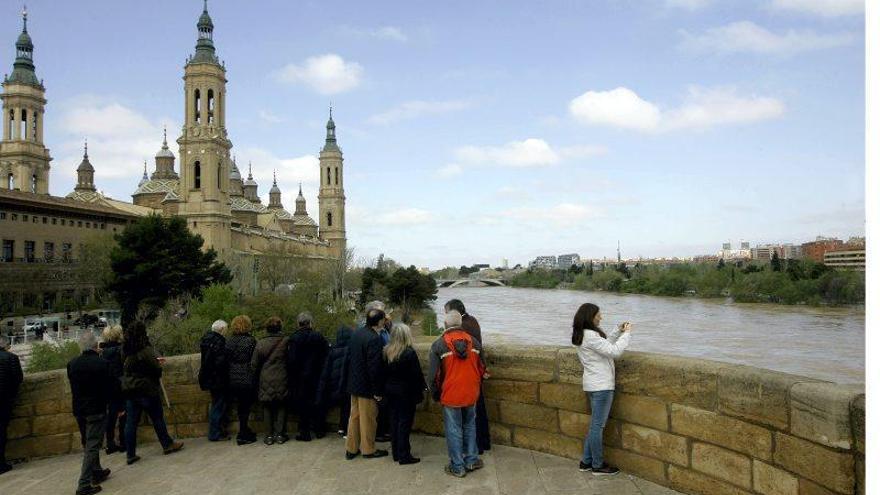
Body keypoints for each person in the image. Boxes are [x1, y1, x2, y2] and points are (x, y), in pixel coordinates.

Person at [572, 303, 632, 476]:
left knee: (594, 426)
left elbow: (603, 346)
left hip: (592, 384)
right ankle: (597, 465)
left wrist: (617, 331)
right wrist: (627, 334)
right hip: (602, 386)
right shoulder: (590, 335)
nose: (601, 317)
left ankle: (586, 462)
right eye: (599, 314)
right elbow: (614, 351)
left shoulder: (582, 334)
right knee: (597, 427)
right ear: (591, 316)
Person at [428, 310, 485, 478]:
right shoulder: (474, 342)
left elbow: (432, 376)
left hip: (451, 393)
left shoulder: (439, 345)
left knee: (453, 429)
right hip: (471, 392)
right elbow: (482, 367)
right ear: (460, 324)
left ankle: (457, 466)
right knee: (470, 425)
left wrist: (435, 394)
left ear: (445, 325)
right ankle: (472, 460)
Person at [121, 321, 183, 465]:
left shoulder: (125, 350)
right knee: (157, 418)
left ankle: (130, 454)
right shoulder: (145, 350)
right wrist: (158, 366)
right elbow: (156, 369)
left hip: (131, 390)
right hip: (147, 389)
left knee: (131, 423)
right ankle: (167, 444)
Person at [67, 332, 114, 495]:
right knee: (92, 446)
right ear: (96, 346)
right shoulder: (102, 364)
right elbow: (109, 387)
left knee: (88, 442)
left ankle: (97, 471)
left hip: (79, 410)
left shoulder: (72, 364)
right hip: (96, 409)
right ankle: (84, 484)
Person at [444, 299, 490, 454]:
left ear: (454, 313)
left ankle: (473, 448)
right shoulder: (473, 320)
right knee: (478, 412)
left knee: (468, 417)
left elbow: (461, 352)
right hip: (476, 373)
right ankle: (483, 443)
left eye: (447, 312)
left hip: (466, 375)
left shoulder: (462, 327)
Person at [344, 308, 388, 460]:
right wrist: (377, 390)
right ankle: (368, 449)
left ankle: (351, 448)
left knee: (354, 417)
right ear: (380, 321)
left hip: (354, 383)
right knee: (368, 419)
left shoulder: (357, 333)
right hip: (367, 386)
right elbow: (374, 367)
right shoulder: (374, 339)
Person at [383, 323, 426, 465]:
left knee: (394, 422)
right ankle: (404, 455)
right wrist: (422, 389)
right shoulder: (408, 353)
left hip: (390, 391)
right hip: (405, 394)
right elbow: (416, 375)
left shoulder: (386, 351)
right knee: (404, 424)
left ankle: (396, 453)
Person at [285, 312, 329, 441]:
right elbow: (327, 354)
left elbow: (291, 360)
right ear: (310, 323)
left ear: (298, 324)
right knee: (318, 402)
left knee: (303, 404)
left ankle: (305, 432)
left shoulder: (294, 338)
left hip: (300, 377)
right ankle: (319, 430)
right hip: (317, 375)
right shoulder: (319, 337)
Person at [250, 316, 288, 445]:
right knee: (281, 405)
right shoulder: (285, 341)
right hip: (282, 376)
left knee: (267, 406)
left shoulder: (260, 343)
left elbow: (254, 364)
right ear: (280, 328)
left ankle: (269, 436)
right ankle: (280, 435)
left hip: (265, 377)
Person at [226, 315, 258, 445]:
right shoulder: (251, 341)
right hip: (246, 376)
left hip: (232, 377)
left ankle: (244, 430)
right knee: (245, 405)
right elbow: (254, 360)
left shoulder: (229, 341)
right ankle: (243, 433)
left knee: (240, 406)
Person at [316, 325, 353, 436]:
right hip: (346, 385)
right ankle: (343, 427)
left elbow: (326, 370)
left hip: (333, 384)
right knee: (347, 406)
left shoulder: (332, 351)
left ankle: (321, 428)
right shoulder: (351, 350)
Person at [199, 320, 229, 442]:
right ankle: (215, 433)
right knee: (218, 405)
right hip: (218, 379)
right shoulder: (219, 342)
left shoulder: (206, 340)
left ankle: (217, 431)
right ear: (222, 330)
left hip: (208, 377)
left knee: (216, 404)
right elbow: (220, 362)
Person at [99, 326, 126, 455]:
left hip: (107, 386)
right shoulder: (120, 350)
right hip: (120, 384)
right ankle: (123, 441)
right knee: (123, 413)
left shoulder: (102, 352)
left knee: (111, 415)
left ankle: (110, 443)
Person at [0, 335, 23, 475]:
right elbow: (18, 379)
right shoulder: (11, 358)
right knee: (1, 431)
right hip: (4, 400)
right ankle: (1, 463)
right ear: (6, 345)